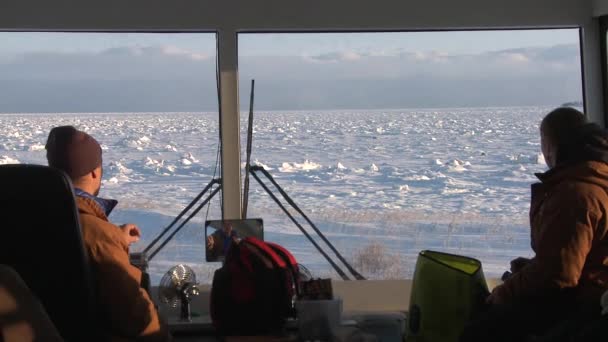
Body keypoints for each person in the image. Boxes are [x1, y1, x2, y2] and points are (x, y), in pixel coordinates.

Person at [461, 107, 608, 341]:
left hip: (584, 303)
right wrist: (531, 268)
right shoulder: (596, 179)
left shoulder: (575, 194)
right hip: (594, 295)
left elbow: (560, 275)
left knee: (480, 329)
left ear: (551, 146)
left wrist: (506, 292)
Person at [45, 126, 171, 342]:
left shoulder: (33, 216)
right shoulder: (98, 235)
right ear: (95, 172)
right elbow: (138, 321)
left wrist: (114, 237)